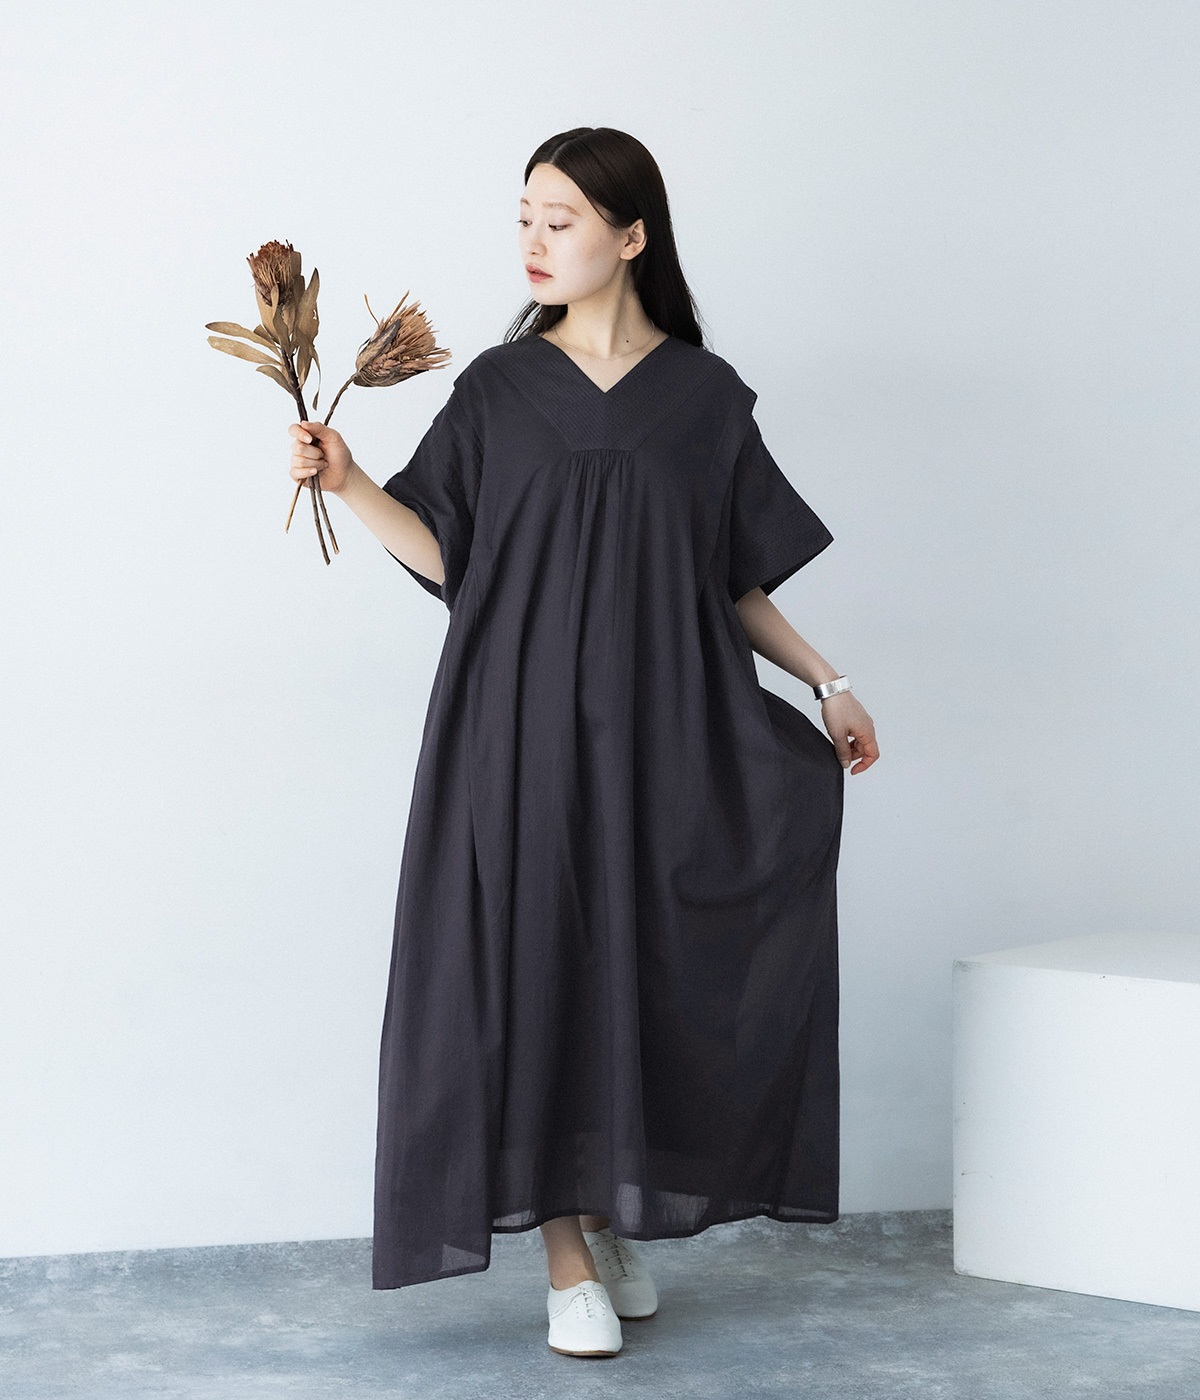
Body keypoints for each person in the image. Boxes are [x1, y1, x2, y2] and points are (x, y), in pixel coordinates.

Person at [287, 127, 880, 1359]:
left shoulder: (704, 398)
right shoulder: (499, 391)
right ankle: (566, 1257)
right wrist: (350, 482)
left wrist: (828, 680)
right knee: (535, 966)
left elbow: (729, 577)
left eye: (559, 219)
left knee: (641, 964)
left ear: (631, 235)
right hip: (516, 729)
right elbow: (453, 557)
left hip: (666, 731)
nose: (533, 240)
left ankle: (607, 1217)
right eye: (524, 217)